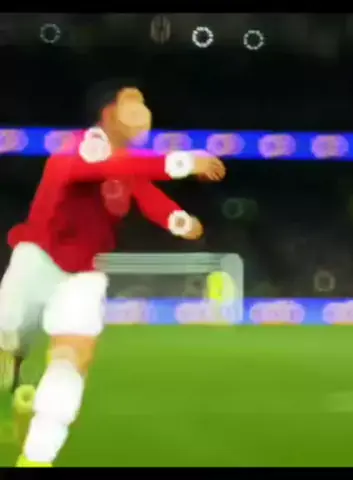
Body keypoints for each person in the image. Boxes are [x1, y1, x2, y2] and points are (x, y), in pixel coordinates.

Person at [0, 81, 226, 467]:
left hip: (83, 275)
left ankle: (36, 457)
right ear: (108, 114)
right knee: (7, 342)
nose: (145, 114)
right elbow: (113, 167)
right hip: (37, 260)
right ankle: (13, 361)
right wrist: (184, 163)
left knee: (73, 359)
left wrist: (177, 219)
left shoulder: (126, 162)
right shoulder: (80, 147)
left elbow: (142, 189)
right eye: (134, 105)